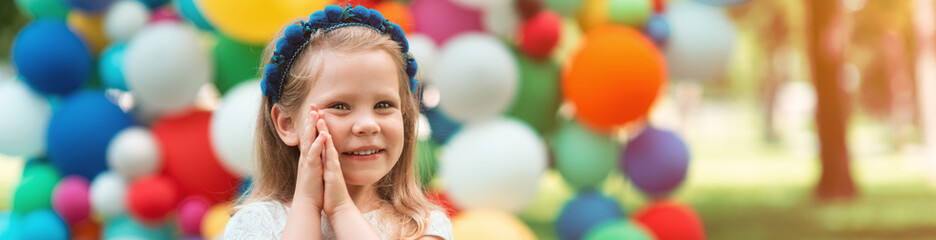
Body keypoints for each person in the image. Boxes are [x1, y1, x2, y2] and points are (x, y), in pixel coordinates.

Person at [223, 5, 452, 240]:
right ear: (287, 124)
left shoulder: (423, 226)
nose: (368, 124)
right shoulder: (255, 225)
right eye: (340, 106)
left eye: (383, 105)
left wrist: (342, 210)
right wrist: (307, 205)